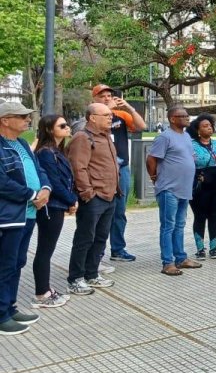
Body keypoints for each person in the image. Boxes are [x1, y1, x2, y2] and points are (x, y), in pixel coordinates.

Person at [0, 102, 49, 334]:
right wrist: (31, 194)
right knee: (5, 265)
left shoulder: (21, 143)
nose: (27, 120)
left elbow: (38, 169)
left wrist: (46, 189)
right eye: (21, 116)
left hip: (27, 215)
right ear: (5, 120)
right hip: (8, 216)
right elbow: (2, 182)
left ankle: (9, 307)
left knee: (17, 263)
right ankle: (1, 316)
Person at [66, 103, 120, 296]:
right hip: (94, 197)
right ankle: (75, 279)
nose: (110, 117)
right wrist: (88, 193)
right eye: (105, 114)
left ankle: (91, 274)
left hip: (110, 195)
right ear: (92, 118)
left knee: (100, 238)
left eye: (110, 114)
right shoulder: (82, 137)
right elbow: (78, 168)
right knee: (84, 238)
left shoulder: (105, 136)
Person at [91, 85, 144, 264]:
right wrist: (107, 110)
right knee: (100, 212)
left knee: (119, 211)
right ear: (94, 99)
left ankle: (118, 249)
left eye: (109, 95)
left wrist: (128, 107)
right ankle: (96, 252)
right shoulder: (91, 117)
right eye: (102, 96)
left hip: (121, 169)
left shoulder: (120, 115)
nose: (107, 98)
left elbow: (140, 126)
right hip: (100, 171)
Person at [147, 107, 202, 276]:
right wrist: (154, 176)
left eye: (188, 115)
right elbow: (151, 158)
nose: (187, 118)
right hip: (168, 188)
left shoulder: (186, 136)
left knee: (179, 225)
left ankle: (181, 258)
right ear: (172, 119)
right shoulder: (164, 137)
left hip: (184, 189)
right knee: (168, 226)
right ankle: (167, 262)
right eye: (183, 116)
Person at [32, 114, 77, 308]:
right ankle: (42, 293)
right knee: (44, 250)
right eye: (62, 125)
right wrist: (72, 200)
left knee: (46, 250)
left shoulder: (56, 151)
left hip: (57, 205)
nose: (67, 127)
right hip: (51, 206)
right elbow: (54, 182)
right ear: (50, 129)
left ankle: (45, 290)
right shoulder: (46, 153)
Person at [187, 114, 216, 260]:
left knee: (214, 216)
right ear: (198, 130)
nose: (209, 128)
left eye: (210, 125)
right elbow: (186, 166)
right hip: (200, 189)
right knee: (200, 216)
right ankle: (200, 249)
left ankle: (214, 248)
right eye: (205, 126)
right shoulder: (191, 145)